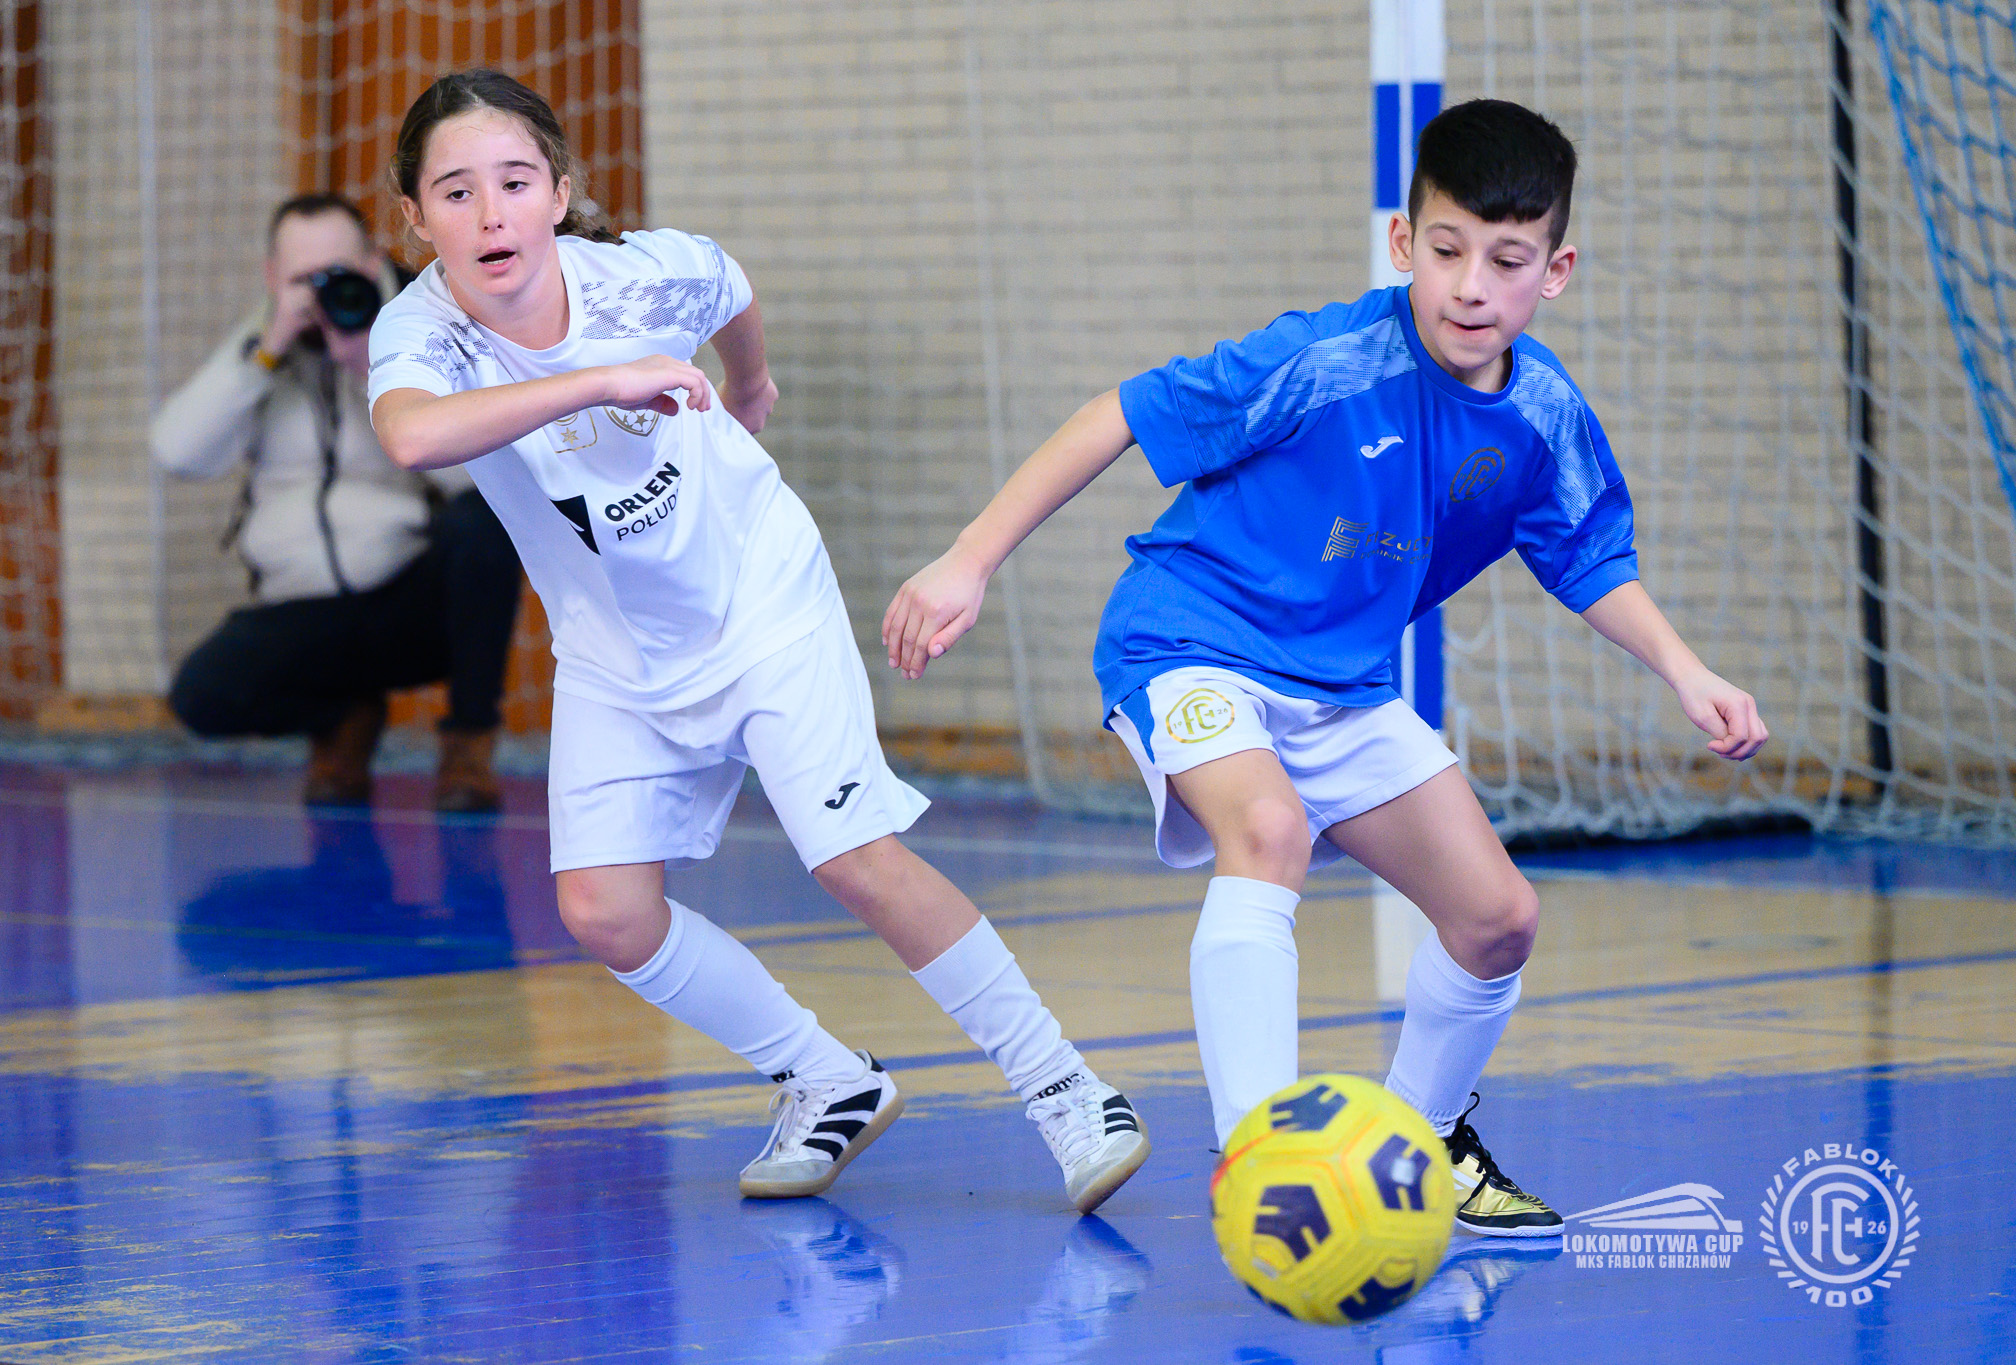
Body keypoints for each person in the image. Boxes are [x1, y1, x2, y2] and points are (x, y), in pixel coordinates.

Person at [885, 99, 1770, 1236]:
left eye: (1505, 262)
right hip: (1189, 639)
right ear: (1403, 243)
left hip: (1339, 687)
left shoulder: (1541, 412)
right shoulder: (1324, 358)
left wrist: (1685, 672)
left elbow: (1586, 555)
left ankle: (1418, 1144)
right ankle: (1265, 1163)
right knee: (1268, 833)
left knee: (1498, 917)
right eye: (1445, 250)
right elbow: (1120, 413)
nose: (1470, 287)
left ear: (1554, 272)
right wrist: (968, 559)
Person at [364, 70, 1151, 1210]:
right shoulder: (419, 331)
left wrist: (752, 380)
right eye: (456, 192)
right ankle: (824, 1077)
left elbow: (730, 283)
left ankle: (1068, 1090)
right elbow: (411, 437)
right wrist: (599, 383)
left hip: (760, 595)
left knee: (850, 854)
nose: (491, 213)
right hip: (616, 650)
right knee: (604, 912)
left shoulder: (644, 275)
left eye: (516, 182)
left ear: (560, 193)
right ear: (415, 218)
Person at [152, 193, 524, 812]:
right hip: (303, 612)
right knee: (200, 696)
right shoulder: (261, 342)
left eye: (338, 275)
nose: (322, 294)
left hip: (407, 603)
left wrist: (373, 371)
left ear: (372, 263)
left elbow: (487, 482)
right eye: (303, 279)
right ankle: (343, 719)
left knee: (482, 524)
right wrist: (266, 351)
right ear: (273, 278)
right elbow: (177, 453)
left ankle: (468, 746)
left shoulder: (419, 332)